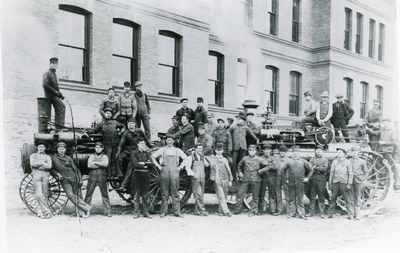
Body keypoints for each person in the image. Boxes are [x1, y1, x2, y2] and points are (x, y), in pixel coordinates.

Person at [151, 134, 188, 217]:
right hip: (164, 170)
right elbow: (153, 156)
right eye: (168, 140)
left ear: (173, 141)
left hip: (174, 170)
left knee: (175, 192)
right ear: (166, 141)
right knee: (164, 192)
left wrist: (180, 167)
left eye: (171, 140)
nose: (169, 142)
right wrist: (158, 166)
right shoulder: (162, 150)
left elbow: (186, 158)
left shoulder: (177, 150)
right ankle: (163, 212)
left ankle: (177, 212)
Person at [51, 142, 91, 217]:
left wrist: (80, 179)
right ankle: (87, 207)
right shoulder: (54, 158)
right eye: (60, 149)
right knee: (70, 194)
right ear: (57, 149)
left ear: (65, 150)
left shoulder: (68, 158)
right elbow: (52, 169)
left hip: (74, 178)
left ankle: (81, 212)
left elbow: (76, 169)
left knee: (78, 195)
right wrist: (57, 174)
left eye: (63, 149)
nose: (61, 150)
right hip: (65, 180)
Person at [234, 144, 268, 216]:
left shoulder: (260, 159)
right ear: (248, 151)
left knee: (255, 197)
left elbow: (268, 165)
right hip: (245, 179)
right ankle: (238, 210)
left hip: (256, 179)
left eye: (253, 150)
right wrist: (240, 172)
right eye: (250, 150)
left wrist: (261, 171)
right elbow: (239, 166)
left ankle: (253, 211)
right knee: (240, 194)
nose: (251, 152)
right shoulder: (244, 158)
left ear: (255, 151)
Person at [116, 120, 150, 191]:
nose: (130, 125)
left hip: (137, 150)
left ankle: (123, 185)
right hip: (128, 150)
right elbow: (121, 144)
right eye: (129, 124)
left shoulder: (139, 131)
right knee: (119, 158)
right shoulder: (126, 133)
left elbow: (146, 140)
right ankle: (120, 174)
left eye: (132, 124)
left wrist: (151, 147)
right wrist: (118, 152)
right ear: (127, 125)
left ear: (135, 124)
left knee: (131, 165)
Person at [281, 146, 313, 219]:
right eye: (294, 152)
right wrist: (286, 179)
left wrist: (307, 178)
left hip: (300, 182)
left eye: (297, 152)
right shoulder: (289, 161)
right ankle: (292, 213)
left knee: (300, 199)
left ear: (300, 153)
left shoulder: (303, 161)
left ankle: (301, 213)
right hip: (291, 182)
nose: (296, 153)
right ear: (292, 153)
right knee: (291, 198)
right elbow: (282, 170)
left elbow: (311, 170)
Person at [93, 108, 123, 178]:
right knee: (107, 159)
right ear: (104, 114)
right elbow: (94, 130)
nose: (108, 115)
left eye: (109, 113)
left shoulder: (115, 122)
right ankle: (108, 175)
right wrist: (86, 133)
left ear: (112, 115)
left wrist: (120, 132)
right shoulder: (102, 123)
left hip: (115, 144)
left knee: (116, 159)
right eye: (106, 113)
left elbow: (123, 127)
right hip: (107, 145)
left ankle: (118, 174)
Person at [84, 142, 111, 217]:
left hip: (102, 177)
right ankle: (86, 211)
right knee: (88, 194)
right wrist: (100, 164)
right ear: (94, 148)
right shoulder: (91, 156)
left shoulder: (105, 156)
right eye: (96, 147)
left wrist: (95, 162)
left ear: (102, 149)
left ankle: (108, 211)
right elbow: (89, 165)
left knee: (104, 194)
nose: (98, 149)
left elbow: (105, 164)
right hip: (92, 177)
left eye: (99, 147)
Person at [230, 112, 259, 181]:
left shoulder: (245, 127)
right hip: (235, 148)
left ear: (244, 121)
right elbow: (228, 134)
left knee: (242, 162)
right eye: (239, 119)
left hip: (243, 147)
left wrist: (257, 139)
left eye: (242, 120)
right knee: (233, 162)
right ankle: (234, 176)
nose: (240, 121)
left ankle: (242, 176)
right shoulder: (233, 127)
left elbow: (251, 134)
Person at [130, 139, 153, 219]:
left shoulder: (147, 153)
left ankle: (146, 212)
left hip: (145, 176)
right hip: (137, 175)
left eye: (144, 144)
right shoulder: (134, 153)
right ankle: (136, 213)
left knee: (145, 195)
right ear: (138, 145)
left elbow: (151, 163)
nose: (143, 145)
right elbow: (135, 164)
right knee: (136, 195)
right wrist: (145, 163)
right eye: (142, 144)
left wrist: (143, 163)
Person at [184, 144, 209, 216]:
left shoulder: (202, 157)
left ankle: (196, 210)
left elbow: (207, 165)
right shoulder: (191, 157)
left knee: (201, 194)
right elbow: (187, 167)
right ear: (195, 149)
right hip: (195, 178)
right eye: (198, 148)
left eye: (201, 148)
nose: (200, 150)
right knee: (198, 194)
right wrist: (192, 174)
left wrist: (204, 158)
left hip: (202, 177)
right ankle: (202, 210)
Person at [328, 148, 354, 219]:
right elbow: (332, 173)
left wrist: (349, 183)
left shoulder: (347, 162)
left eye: (340, 152)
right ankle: (330, 214)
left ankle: (350, 214)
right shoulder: (334, 162)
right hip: (335, 182)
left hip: (344, 183)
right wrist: (330, 182)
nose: (338, 153)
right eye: (338, 152)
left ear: (344, 154)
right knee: (333, 198)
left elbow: (350, 173)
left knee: (347, 199)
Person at [209, 143, 233, 217]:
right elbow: (212, 167)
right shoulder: (212, 158)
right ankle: (227, 211)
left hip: (225, 179)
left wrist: (230, 180)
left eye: (220, 150)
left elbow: (228, 169)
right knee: (221, 196)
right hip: (217, 179)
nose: (219, 151)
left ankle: (220, 211)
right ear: (215, 151)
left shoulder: (225, 159)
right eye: (217, 150)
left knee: (224, 196)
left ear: (222, 151)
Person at [29, 143, 53, 218]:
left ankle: (42, 212)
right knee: (39, 194)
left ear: (45, 148)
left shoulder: (47, 156)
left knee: (45, 194)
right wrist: (43, 163)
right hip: (36, 175)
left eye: (43, 147)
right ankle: (44, 211)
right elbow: (32, 164)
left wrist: (39, 165)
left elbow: (49, 166)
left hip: (45, 175)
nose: (41, 148)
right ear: (37, 148)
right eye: (40, 147)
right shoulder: (33, 155)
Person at [42, 57, 65, 130]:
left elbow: (55, 86)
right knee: (59, 108)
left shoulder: (54, 74)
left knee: (61, 107)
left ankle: (59, 127)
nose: (55, 65)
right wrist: (56, 92)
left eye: (56, 64)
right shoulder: (47, 73)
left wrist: (60, 94)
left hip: (54, 95)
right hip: (49, 95)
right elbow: (45, 84)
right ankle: (54, 127)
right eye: (53, 63)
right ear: (50, 64)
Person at [308, 146, 329, 218]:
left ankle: (322, 213)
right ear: (315, 151)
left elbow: (325, 169)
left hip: (321, 179)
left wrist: (316, 168)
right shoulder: (312, 159)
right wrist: (317, 167)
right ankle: (311, 212)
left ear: (322, 152)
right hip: (313, 179)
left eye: (319, 151)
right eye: (317, 151)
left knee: (321, 196)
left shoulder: (325, 159)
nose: (318, 152)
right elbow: (309, 167)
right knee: (312, 196)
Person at [349, 145, 368, 219]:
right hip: (350, 181)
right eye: (353, 151)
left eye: (356, 152)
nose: (354, 153)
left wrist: (362, 179)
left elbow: (366, 172)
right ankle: (352, 213)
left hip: (358, 181)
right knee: (350, 197)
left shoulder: (362, 161)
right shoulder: (349, 161)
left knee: (357, 197)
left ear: (358, 152)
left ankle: (358, 214)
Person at [257, 143, 274, 214]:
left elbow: (273, 166)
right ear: (263, 151)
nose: (267, 151)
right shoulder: (260, 158)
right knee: (261, 194)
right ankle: (260, 210)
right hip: (263, 179)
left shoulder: (273, 158)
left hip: (271, 178)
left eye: (268, 150)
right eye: (265, 150)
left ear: (270, 151)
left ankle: (272, 210)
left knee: (272, 195)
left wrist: (261, 170)